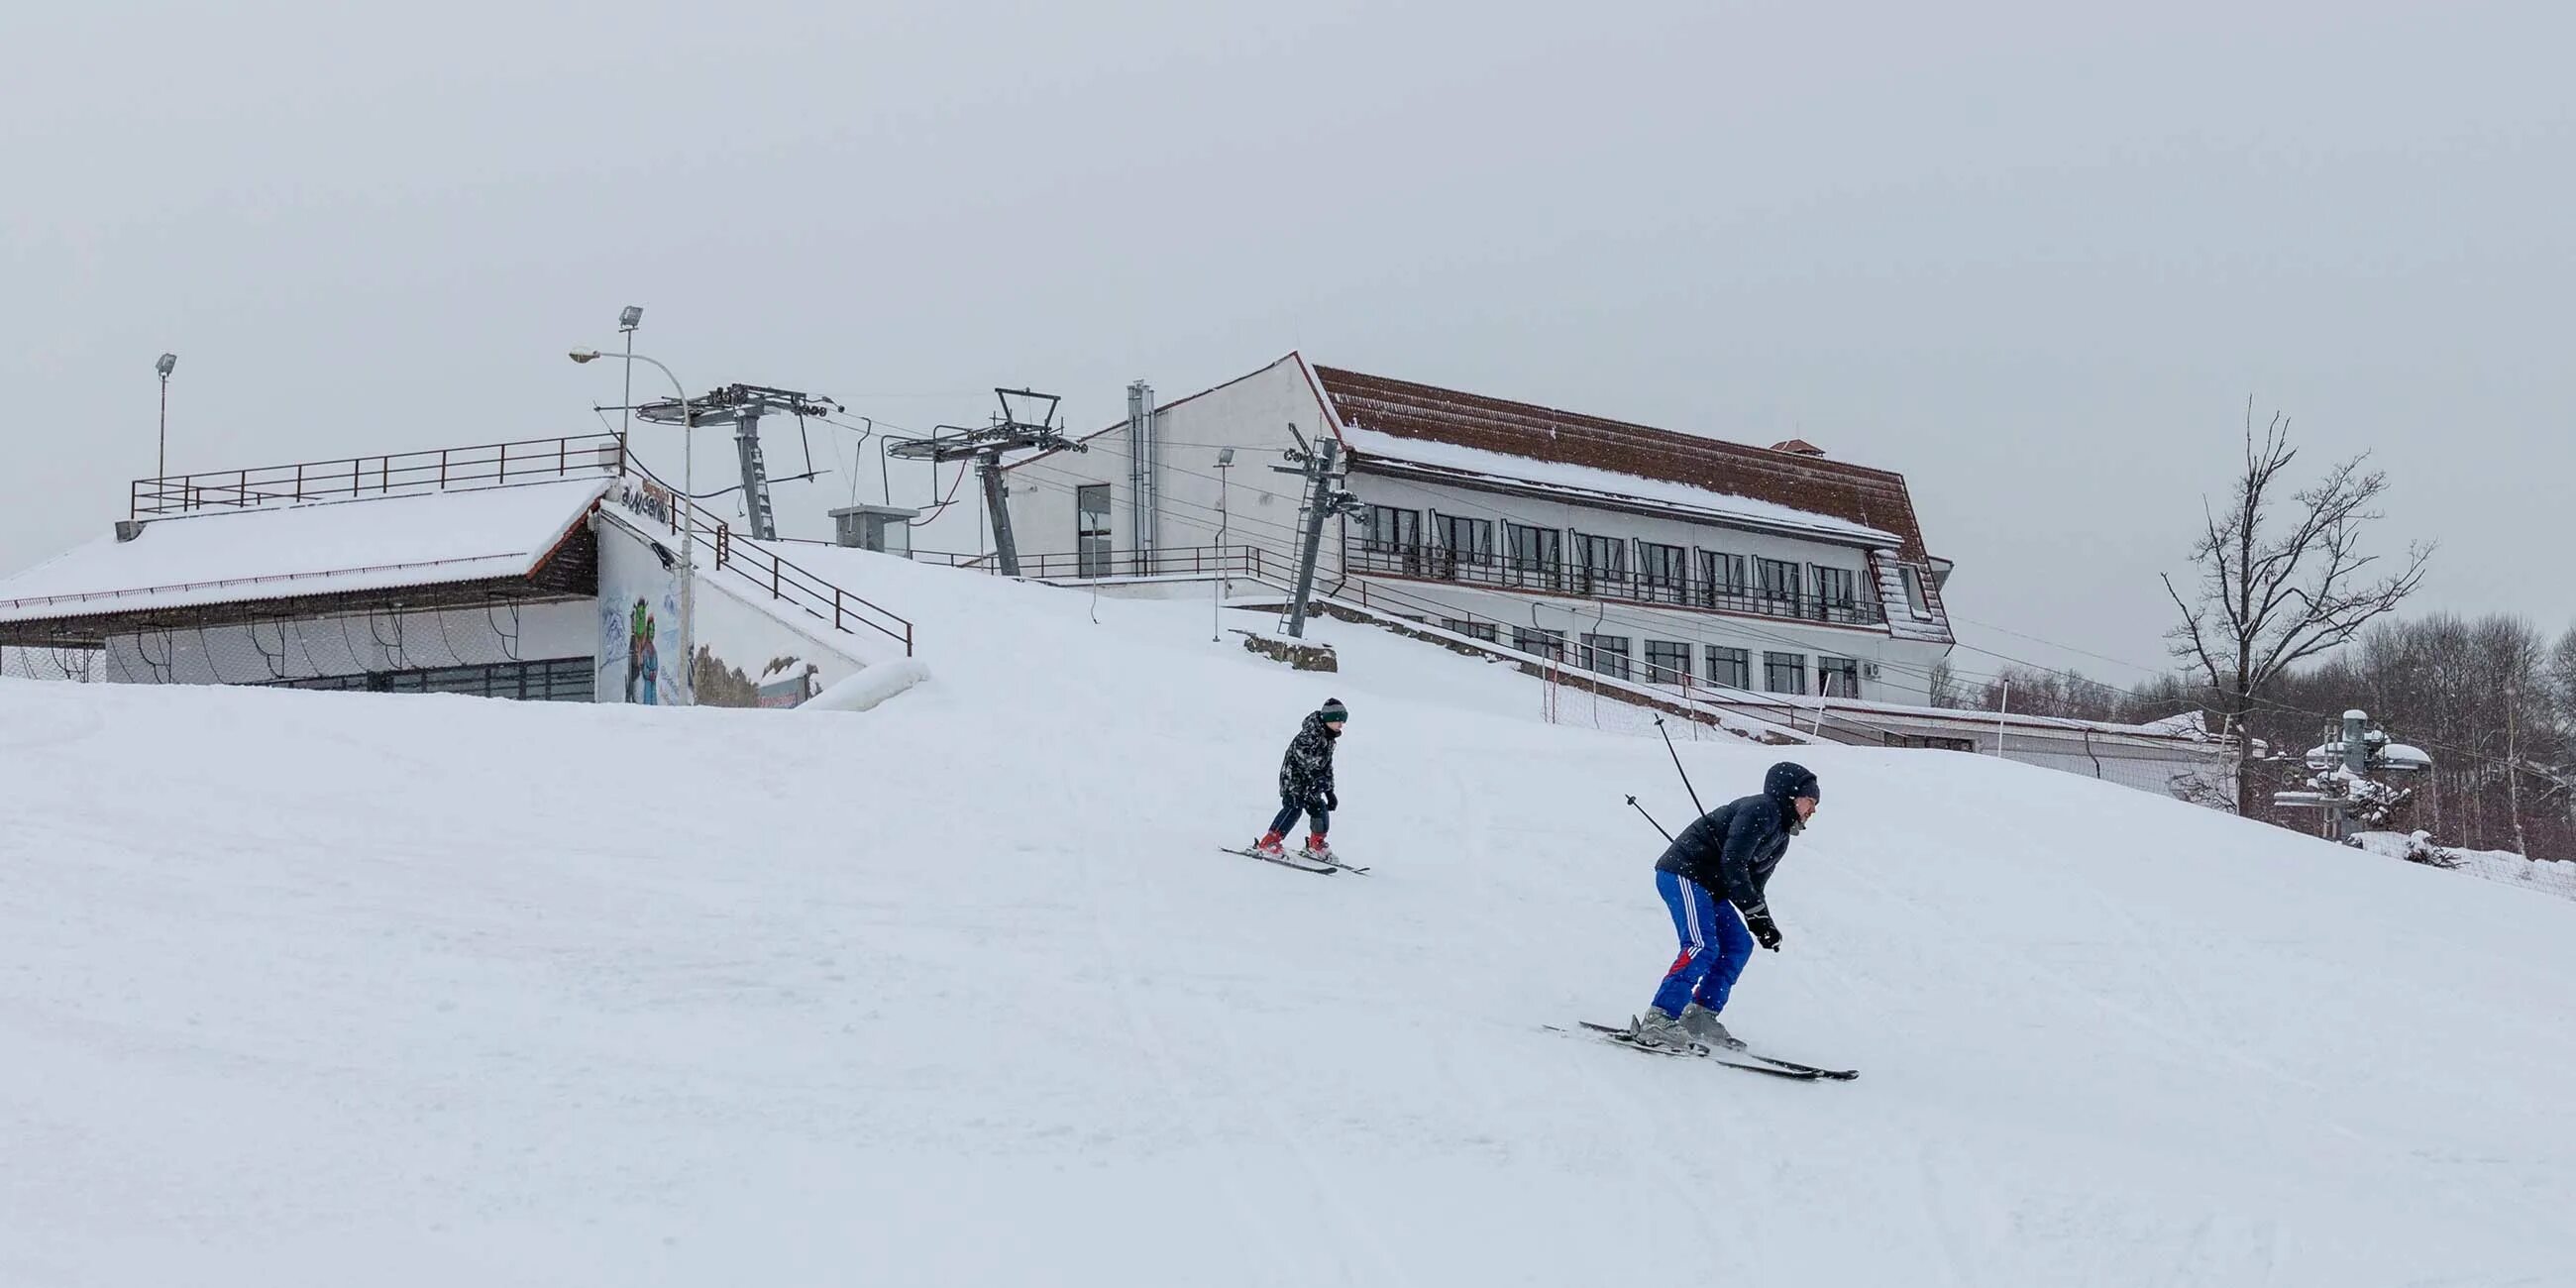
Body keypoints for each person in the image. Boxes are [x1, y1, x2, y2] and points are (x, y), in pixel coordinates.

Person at [1629, 761, 1820, 1051]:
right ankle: (1660, 1016)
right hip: (1684, 874)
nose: (1813, 810)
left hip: (1709, 887)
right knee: (1702, 944)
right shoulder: (1761, 809)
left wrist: (1762, 923)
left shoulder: (1780, 836)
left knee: (1739, 945)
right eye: (1810, 801)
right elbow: (1734, 862)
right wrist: (1755, 915)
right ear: (1791, 795)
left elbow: (1753, 886)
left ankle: (1700, 1014)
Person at [1252, 698, 1347, 860]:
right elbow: (1303, 756)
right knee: (1294, 807)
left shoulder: (1329, 739)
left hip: (1311, 783)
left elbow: (1326, 767)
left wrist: (1330, 791)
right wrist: (1317, 776)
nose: (1341, 724)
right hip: (1294, 779)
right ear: (1328, 719)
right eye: (1338, 720)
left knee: (1319, 808)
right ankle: (1269, 843)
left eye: (1343, 720)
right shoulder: (1310, 734)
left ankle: (1316, 844)